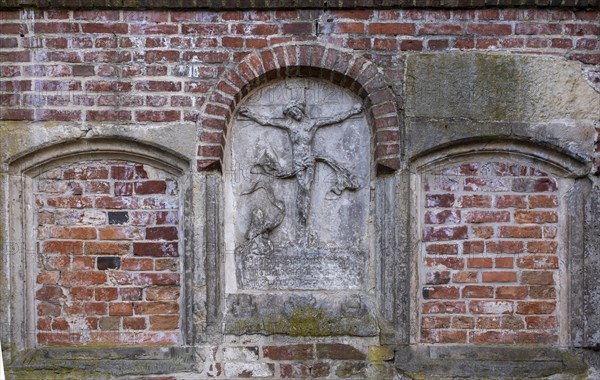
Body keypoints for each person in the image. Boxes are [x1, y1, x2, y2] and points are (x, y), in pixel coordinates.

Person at [239, 100, 362, 226]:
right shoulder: (290, 125)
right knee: (301, 189)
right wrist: (249, 114)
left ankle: (304, 224)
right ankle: (301, 222)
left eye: (295, 111)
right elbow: (267, 121)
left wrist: (352, 111)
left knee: (307, 189)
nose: (294, 114)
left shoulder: (312, 124)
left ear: (300, 110)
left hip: (309, 160)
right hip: (298, 162)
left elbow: (334, 119)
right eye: (291, 113)